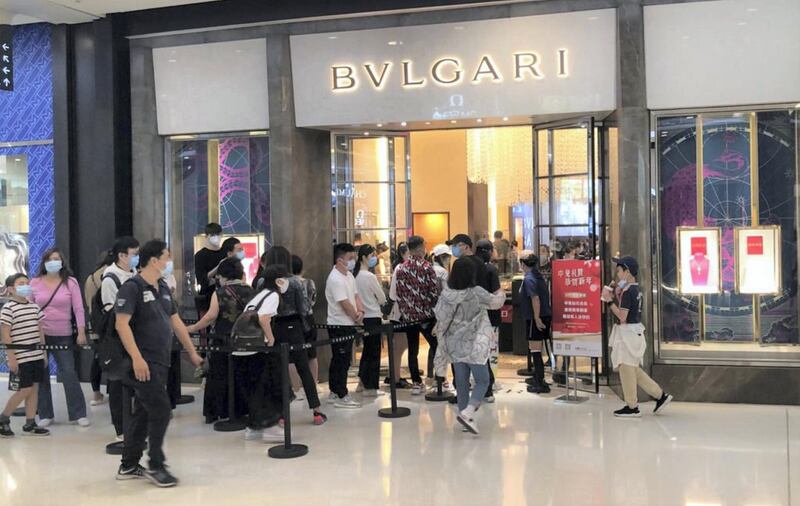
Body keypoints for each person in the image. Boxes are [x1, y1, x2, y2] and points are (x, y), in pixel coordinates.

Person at [114, 240, 203, 487]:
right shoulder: (131, 287)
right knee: (162, 410)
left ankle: (129, 464)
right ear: (154, 260)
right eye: (166, 257)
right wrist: (137, 358)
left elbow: (176, 324)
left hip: (161, 361)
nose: (168, 262)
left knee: (144, 411)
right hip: (142, 362)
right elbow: (121, 325)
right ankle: (156, 464)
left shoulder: (162, 286)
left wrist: (192, 353)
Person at [433, 258, 505, 435]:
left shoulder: (447, 293)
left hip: (454, 342)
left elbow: (440, 316)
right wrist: (500, 291)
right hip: (474, 342)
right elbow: (496, 303)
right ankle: (468, 412)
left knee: (462, 381)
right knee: (483, 380)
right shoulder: (476, 292)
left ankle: (465, 417)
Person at [263, 246, 326, 424]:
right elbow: (304, 308)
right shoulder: (295, 282)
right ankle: (316, 411)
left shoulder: (263, 282)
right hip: (294, 327)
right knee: (303, 367)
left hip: (272, 327)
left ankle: (281, 414)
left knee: (278, 370)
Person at [605, 256, 673, 418]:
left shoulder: (629, 291)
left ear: (627, 272)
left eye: (619, 270)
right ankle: (660, 395)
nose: (617, 274)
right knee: (634, 370)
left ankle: (632, 406)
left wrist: (609, 302)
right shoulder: (634, 290)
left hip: (627, 334)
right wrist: (617, 294)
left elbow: (622, 316)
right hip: (633, 333)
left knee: (626, 369)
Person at [31, 248, 89, 428]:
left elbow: (79, 308)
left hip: (63, 334)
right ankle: (46, 413)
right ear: (44, 262)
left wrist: (81, 332)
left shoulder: (70, 282)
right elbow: (30, 309)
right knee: (41, 375)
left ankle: (78, 413)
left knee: (69, 373)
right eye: (50, 259)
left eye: (57, 259)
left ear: (62, 262)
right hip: (40, 335)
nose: (53, 262)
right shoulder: (34, 283)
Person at [186, 257, 248, 424]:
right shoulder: (250, 290)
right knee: (240, 374)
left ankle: (217, 411)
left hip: (222, 339)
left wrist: (192, 329)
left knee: (218, 375)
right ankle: (241, 410)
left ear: (223, 275)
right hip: (244, 340)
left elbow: (210, 317)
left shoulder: (219, 293)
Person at [239, 264, 285, 443]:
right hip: (259, 348)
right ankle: (270, 426)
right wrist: (271, 338)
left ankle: (253, 426)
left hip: (244, 348)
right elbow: (263, 318)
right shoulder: (273, 295)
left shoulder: (258, 294)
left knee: (254, 389)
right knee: (267, 387)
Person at [100, 237, 140, 441]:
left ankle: (134, 425)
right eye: (134, 254)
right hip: (117, 339)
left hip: (136, 336)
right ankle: (120, 429)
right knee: (117, 384)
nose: (136, 258)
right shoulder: (110, 278)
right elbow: (111, 311)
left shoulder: (133, 274)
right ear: (122, 255)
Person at [0, 274, 49, 437]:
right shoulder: (8, 309)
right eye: (21, 283)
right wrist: (11, 358)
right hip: (21, 357)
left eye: (27, 283)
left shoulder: (34, 307)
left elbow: (40, 330)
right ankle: (4, 418)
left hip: (35, 355)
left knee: (34, 389)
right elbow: (6, 335)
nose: (25, 286)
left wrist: (44, 353)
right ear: (11, 289)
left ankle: (30, 423)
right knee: (24, 389)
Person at [395, 236, 442, 395]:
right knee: (436, 345)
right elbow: (433, 292)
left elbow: (399, 294)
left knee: (412, 348)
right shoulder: (427, 267)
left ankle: (416, 382)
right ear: (421, 247)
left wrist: (407, 311)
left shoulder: (401, 268)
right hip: (427, 316)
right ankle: (439, 379)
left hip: (409, 316)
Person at [325, 243, 364, 408]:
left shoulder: (349, 276)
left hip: (349, 323)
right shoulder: (334, 278)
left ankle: (336, 391)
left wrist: (360, 310)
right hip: (338, 324)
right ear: (340, 260)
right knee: (340, 360)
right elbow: (343, 302)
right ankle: (340, 393)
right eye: (350, 258)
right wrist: (355, 316)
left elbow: (355, 296)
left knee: (344, 359)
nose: (353, 261)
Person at [353, 244, 386, 397]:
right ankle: (371, 386)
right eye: (372, 255)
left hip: (361, 318)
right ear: (364, 257)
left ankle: (362, 381)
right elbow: (381, 297)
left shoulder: (355, 276)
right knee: (373, 352)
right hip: (373, 316)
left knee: (367, 351)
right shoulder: (369, 277)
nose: (375, 258)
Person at [518, 252, 552, 394]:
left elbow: (535, 298)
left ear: (523, 264)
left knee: (535, 349)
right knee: (536, 347)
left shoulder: (530, 279)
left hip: (535, 317)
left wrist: (537, 318)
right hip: (542, 315)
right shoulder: (537, 276)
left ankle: (540, 381)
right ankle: (537, 376)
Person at [475, 239, 502, 402]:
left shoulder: (468, 267)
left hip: (470, 315)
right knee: (485, 352)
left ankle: (478, 384)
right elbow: (496, 293)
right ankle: (487, 387)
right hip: (489, 316)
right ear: (489, 251)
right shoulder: (491, 269)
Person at [84, 251, 112, 407]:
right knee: (115, 356)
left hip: (95, 323)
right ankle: (114, 389)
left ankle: (96, 393)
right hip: (110, 324)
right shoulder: (113, 275)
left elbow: (89, 303)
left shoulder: (91, 278)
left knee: (97, 358)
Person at [386, 242, 411, 389]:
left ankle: (395, 376)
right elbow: (393, 293)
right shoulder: (399, 269)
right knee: (399, 347)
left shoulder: (402, 268)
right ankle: (394, 378)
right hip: (399, 313)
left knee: (401, 346)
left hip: (402, 312)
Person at [291, 254, 319, 386]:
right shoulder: (309, 282)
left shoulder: (288, 284)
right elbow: (313, 301)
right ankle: (313, 384)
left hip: (295, 320)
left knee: (293, 356)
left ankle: (296, 388)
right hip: (309, 318)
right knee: (312, 354)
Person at [193, 223, 226, 317]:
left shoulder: (225, 253)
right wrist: (217, 268)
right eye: (212, 235)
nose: (216, 237)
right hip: (207, 297)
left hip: (225, 296)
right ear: (206, 236)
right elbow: (202, 279)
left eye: (218, 234)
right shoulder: (200, 255)